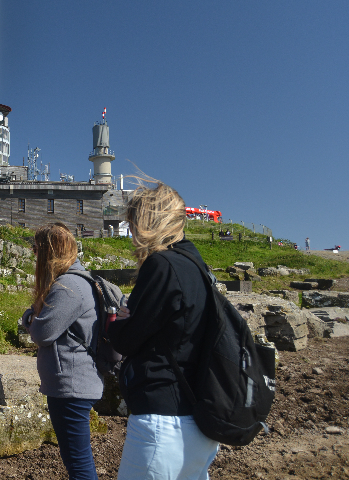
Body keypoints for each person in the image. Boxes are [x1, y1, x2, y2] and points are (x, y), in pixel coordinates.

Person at [108, 181, 219, 480]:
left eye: (133, 223)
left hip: (163, 419)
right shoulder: (197, 266)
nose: (131, 233)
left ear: (147, 222)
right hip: (198, 417)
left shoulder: (161, 265)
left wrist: (117, 321)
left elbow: (128, 340)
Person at [20, 223, 108, 480]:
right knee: (76, 461)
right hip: (72, 382)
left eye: (36, 248)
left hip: (71, 385)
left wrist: (28, 317)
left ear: (48, 251)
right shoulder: (73, 282)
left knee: (79, 464)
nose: (34, 254)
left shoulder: (68, 286)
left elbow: (41, 332)